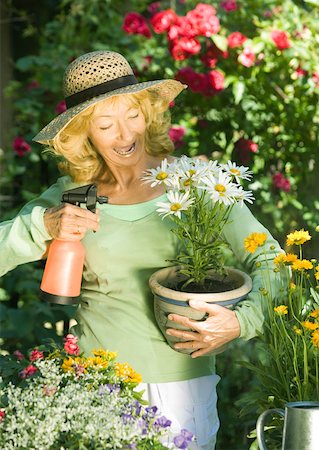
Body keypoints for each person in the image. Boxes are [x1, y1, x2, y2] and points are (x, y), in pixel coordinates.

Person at [0, 50, 283, 449]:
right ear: (84, 133)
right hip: (96, 389)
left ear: (148, 113)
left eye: (132, 114)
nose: (124, 134)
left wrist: (241, 322)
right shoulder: (72, 197)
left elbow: (273, 260)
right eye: (104, 124)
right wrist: (40, 226)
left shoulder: (198, 184)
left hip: (183, 390)